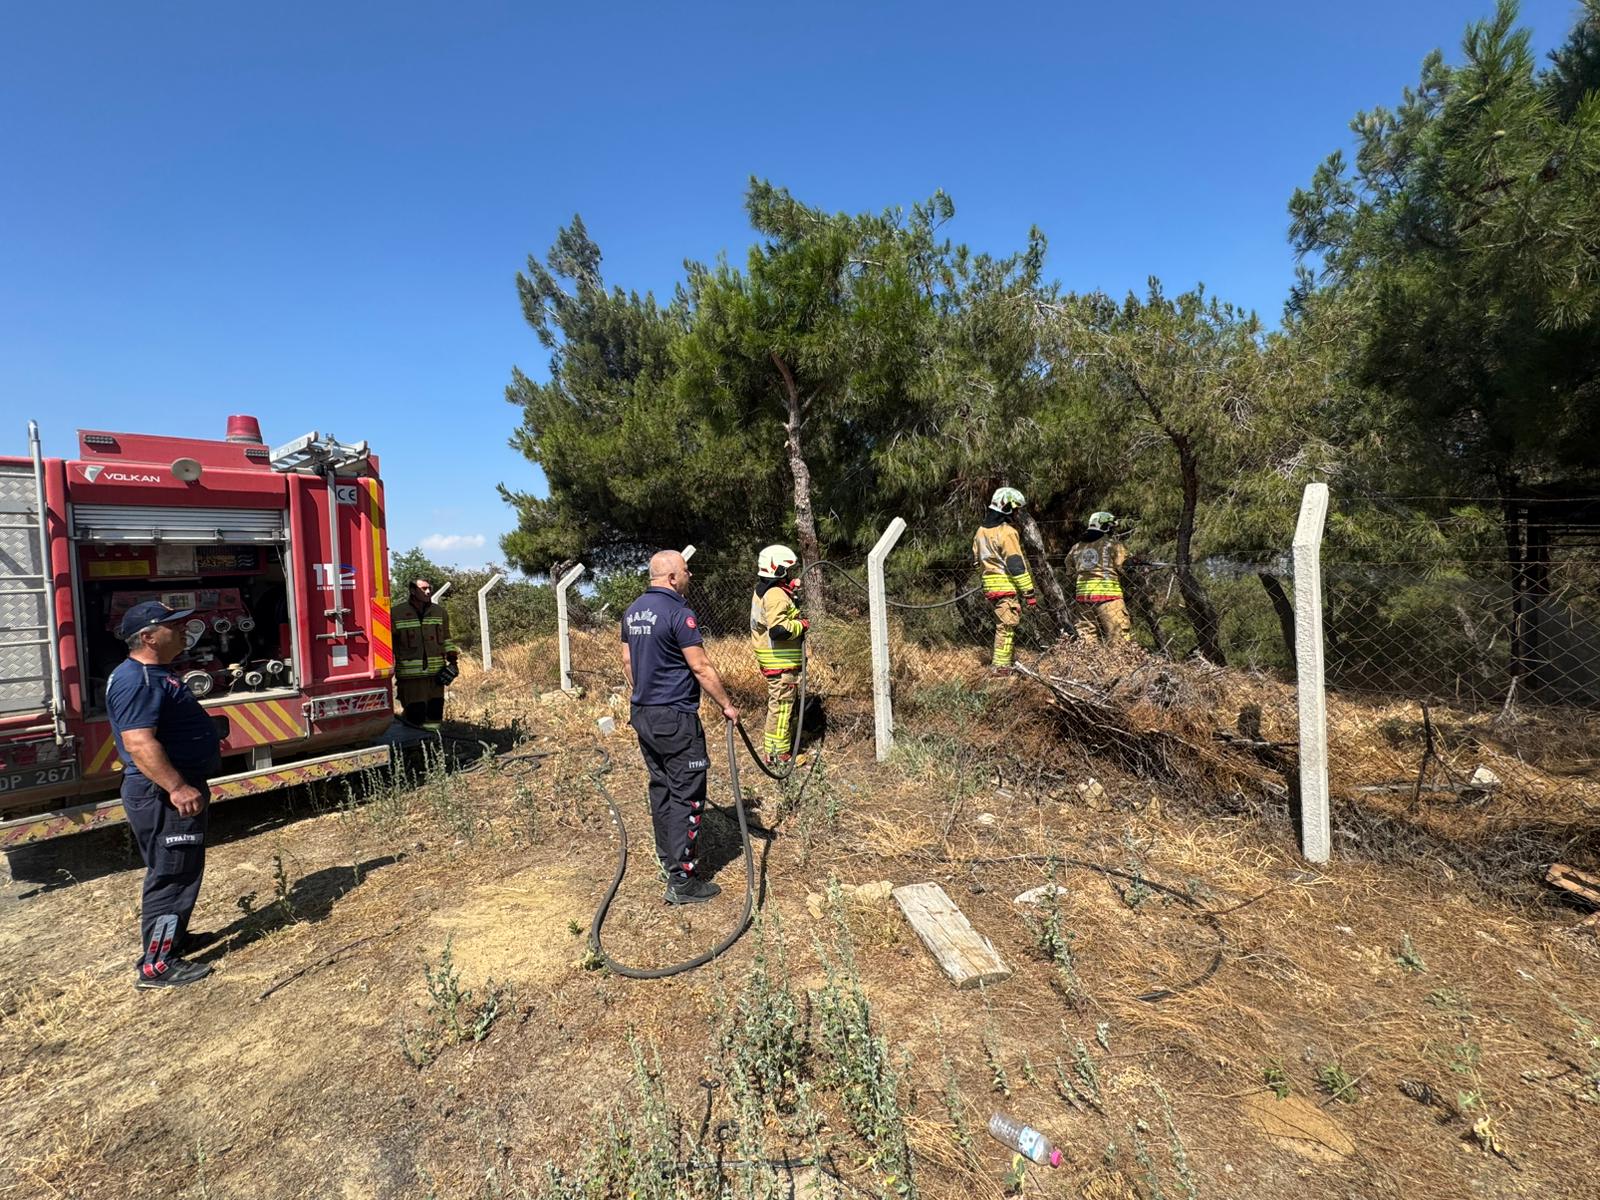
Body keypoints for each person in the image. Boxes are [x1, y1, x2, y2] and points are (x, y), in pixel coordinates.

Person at [106, 601, 224, 989]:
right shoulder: (137, 679)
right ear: (148, 637)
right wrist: (176, 786)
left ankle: (173, 937)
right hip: (162, 794)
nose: (182, 631)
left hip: (169, 787)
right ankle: (157, 964)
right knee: (172, 872)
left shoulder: (152, 673)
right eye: (172, 626)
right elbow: (139, 743)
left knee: (181, 867)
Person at [620, 550, 741, 904]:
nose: (689, 576)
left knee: (662, 787)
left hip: (643, 712)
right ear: (672, 577)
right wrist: (727, 705)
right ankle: (682, 880)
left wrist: (644, 690)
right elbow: (701, 667)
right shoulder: (678, 612)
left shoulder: (633, 611)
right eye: (686, 571)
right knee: (687, 792)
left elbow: (628, 661)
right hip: (675, 717)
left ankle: (668, 858)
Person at [749, 544, 808, 766]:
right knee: (782, 708)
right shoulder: (776, 596)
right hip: (781, 663)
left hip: (773, 661)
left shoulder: (764, 589)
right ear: (778, 568)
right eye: (787, 570)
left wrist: (789, 587)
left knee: (779, 706)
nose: (789, 573)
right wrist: (802, 625)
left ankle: (774, 750)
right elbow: (779, 630)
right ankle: (778, 755)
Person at [972, 487, 1037, 672]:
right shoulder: (1007, 532)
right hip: (1006, 587)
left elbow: (976, 562)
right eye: (1015, 509)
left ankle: (1001, 665)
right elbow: (1016, 565)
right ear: (1006, 507)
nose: (1017, 513)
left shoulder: (980, 531)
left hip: (990, 588)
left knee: (1002, 626)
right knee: (1006, 628)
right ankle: (1001, 668)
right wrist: (1029, 592)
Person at [392, 577, 459, 729]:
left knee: (435, 715)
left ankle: (433, 745)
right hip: (411, 680)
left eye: (429, 588)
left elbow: (447, 639)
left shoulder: (439, 612)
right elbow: (389, 644)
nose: (428, 591)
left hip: (436, 677)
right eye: (423, 588)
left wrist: (453, 662)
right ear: (412, 591)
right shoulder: (396, 614)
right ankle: (415, 749)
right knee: (415, 715)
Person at [1066, 511, 1131, 644]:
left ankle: (1088, 663)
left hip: (1083, 596)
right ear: (1105, 526)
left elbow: (1069, 569)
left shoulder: (1076, 547)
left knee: (1087, 637)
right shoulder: (1113, 545)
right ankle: (1118, 664)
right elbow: (1122, 566)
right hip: (1109, 595)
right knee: (1118, 636)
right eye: (1110, 527)